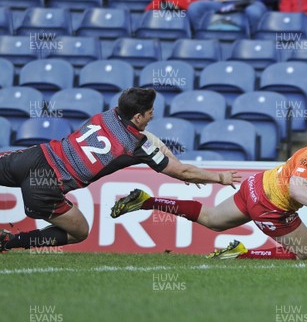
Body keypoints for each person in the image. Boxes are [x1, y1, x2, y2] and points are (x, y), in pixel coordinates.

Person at [111, 117, 307, 260]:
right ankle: (241, 254)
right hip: (271, 205)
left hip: (256, 185)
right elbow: (296, 189)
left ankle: (146, 201)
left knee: (211, 220)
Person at [0, 88, 241, 252]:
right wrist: (219, 177)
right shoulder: (135, 146)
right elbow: (182, 172)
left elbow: (150, 139)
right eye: (149, 113)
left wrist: (169, 155)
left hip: (35, 156)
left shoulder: (107, 115)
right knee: (80, 231)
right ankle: (10, 241)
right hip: (46, 185)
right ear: (137, 117)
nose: (152, 115)